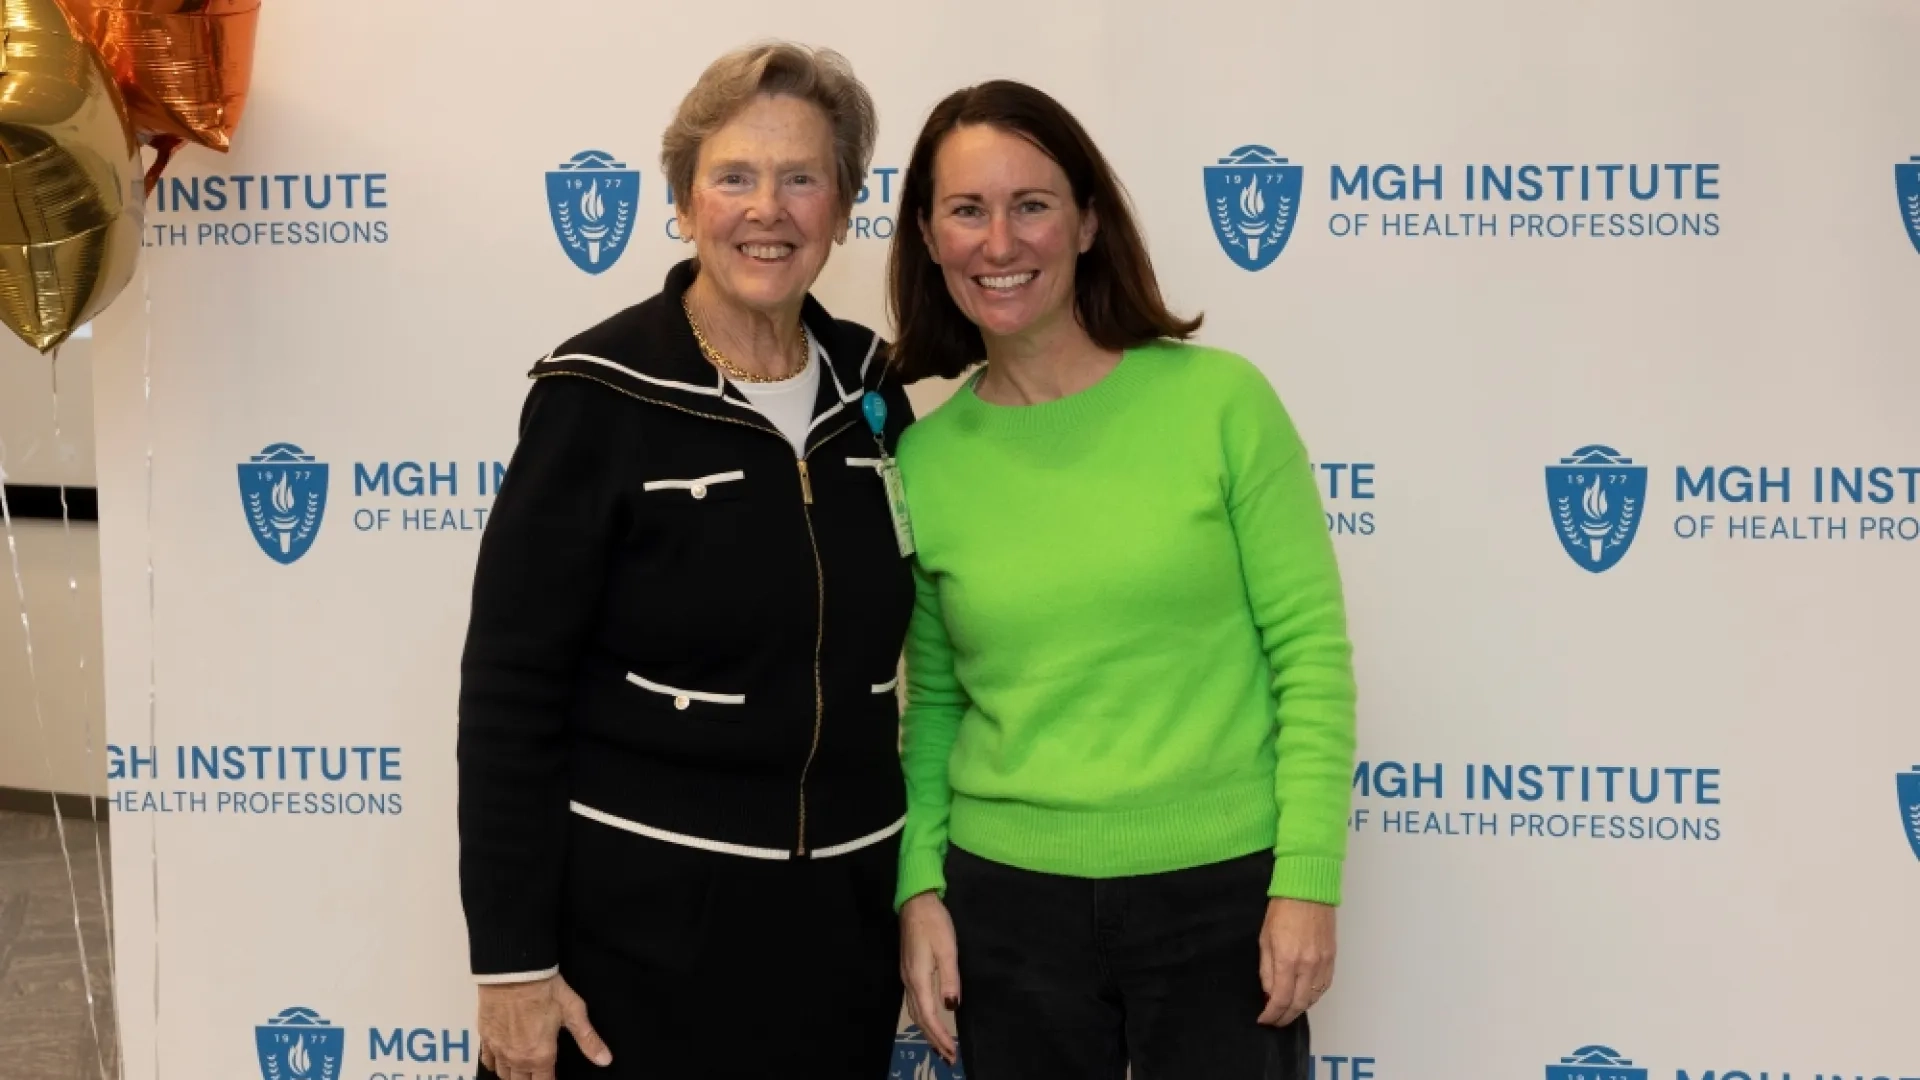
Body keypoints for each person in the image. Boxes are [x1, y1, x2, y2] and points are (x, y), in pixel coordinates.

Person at [457, 42, 915, 1080]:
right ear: (682, 201)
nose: (770, 208)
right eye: (735, 177)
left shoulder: (876, 390)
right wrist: (512, 963)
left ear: (843, 210)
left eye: (803, 178)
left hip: (839, 937)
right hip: (638, 945)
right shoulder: (596, 395)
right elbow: (508, 694)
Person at [887, 80, 1359, 1080]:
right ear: (928, 236)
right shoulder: (924, 463)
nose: (999, 241)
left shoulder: (1220, 402)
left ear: (1090, 220)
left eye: (1033, 204)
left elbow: (1309, 657)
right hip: (1007, 910)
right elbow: (933, 705)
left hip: (1221, 899)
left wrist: (1308, 879)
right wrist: (920, 889)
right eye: (967, 210)